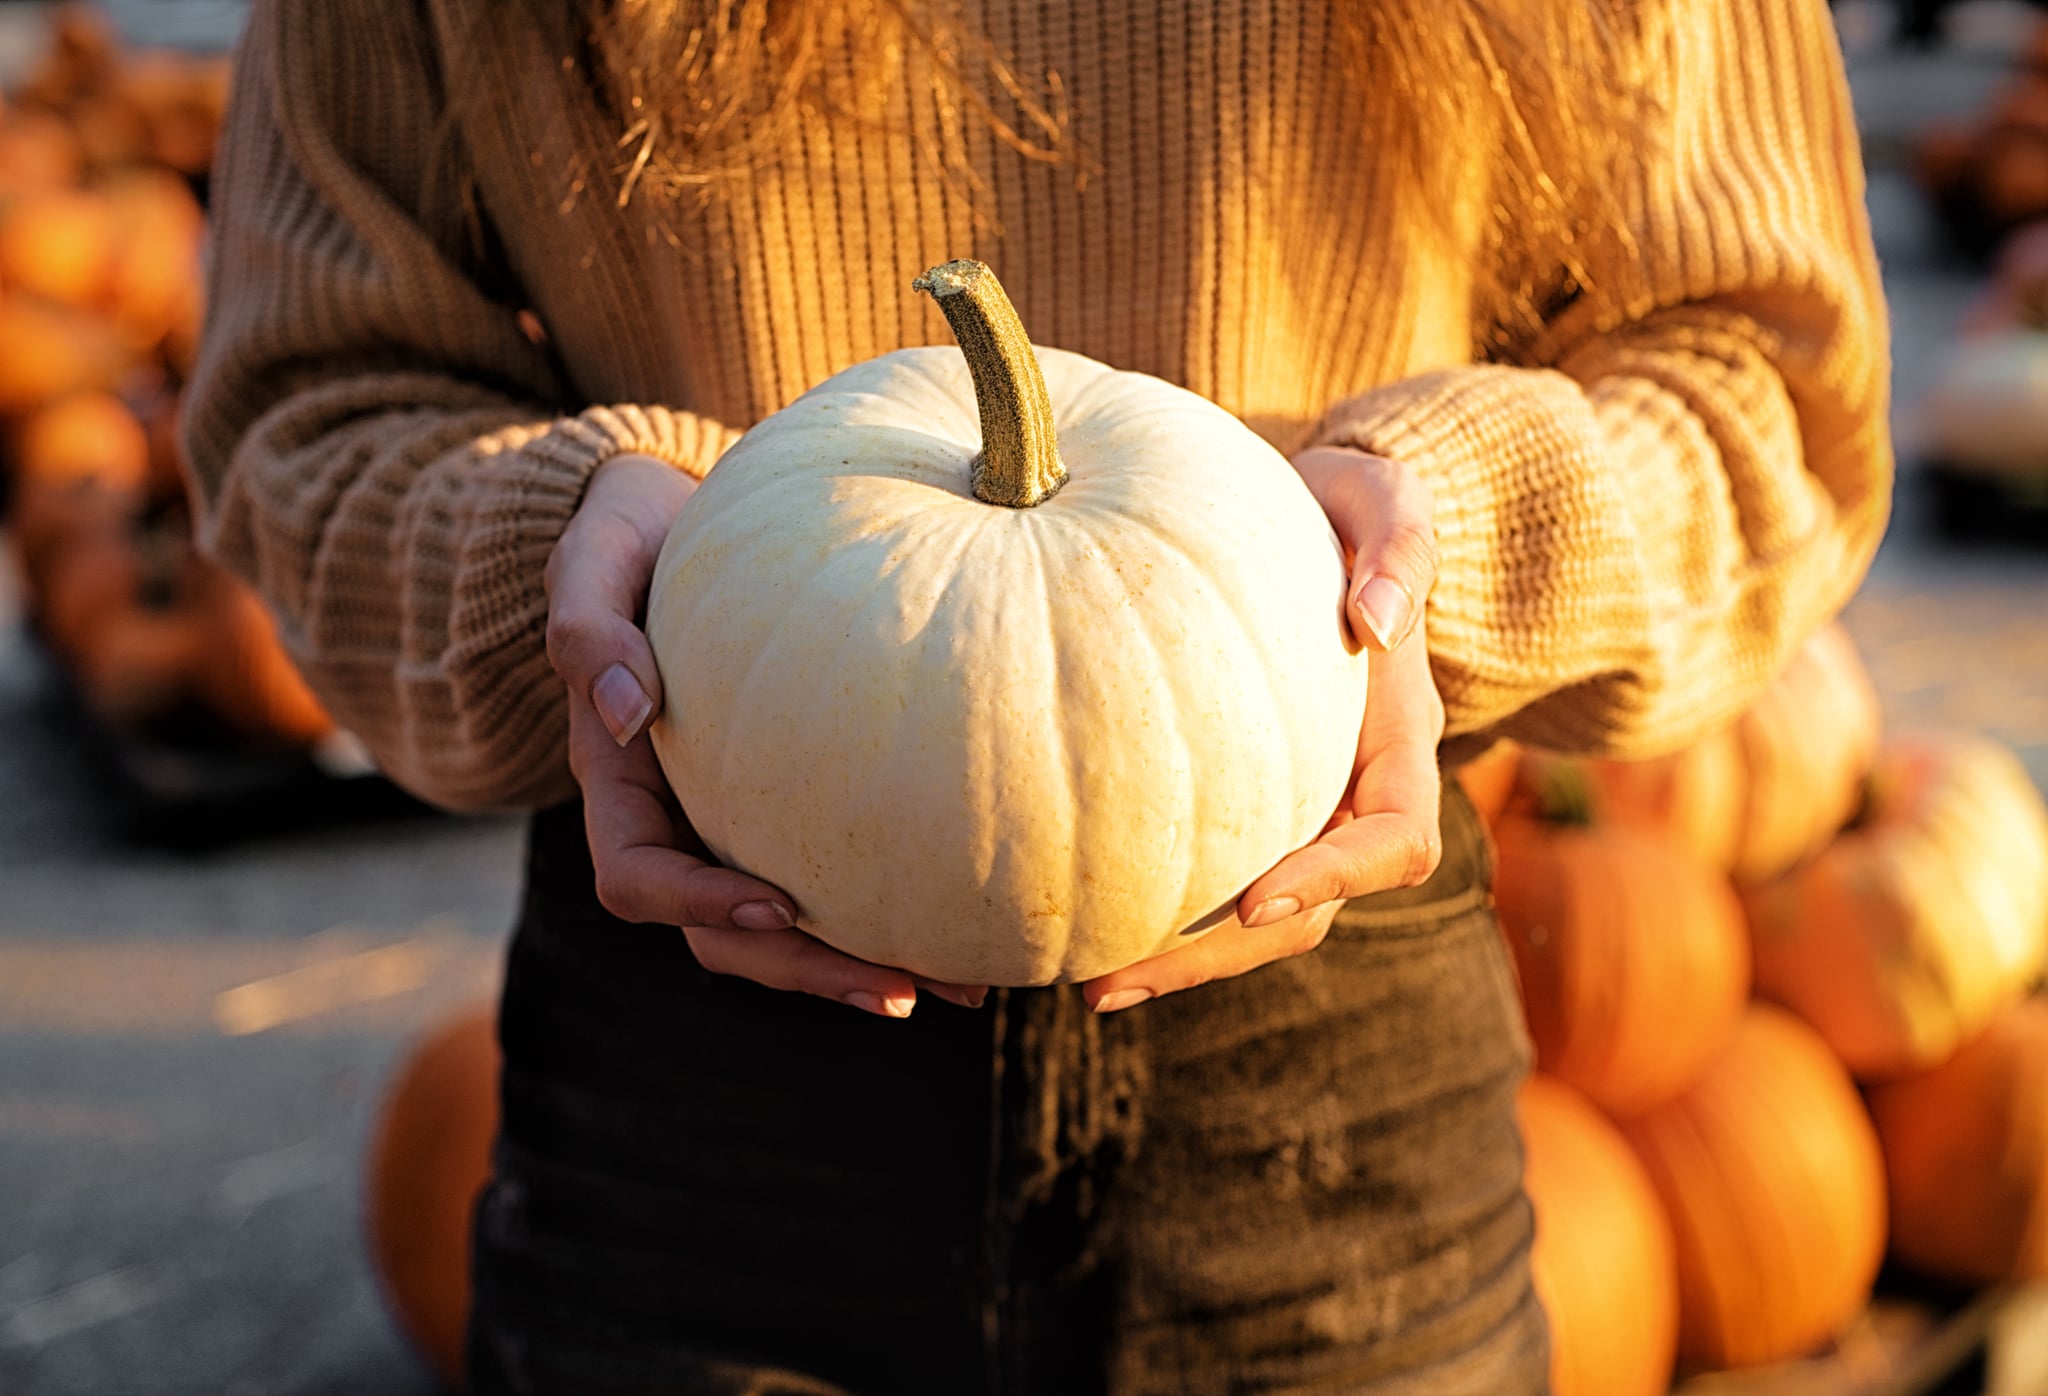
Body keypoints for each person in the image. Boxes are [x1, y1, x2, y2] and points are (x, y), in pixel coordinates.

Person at [183, 0, 1891, 1391]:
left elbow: (1775, 396)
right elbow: (306, 413)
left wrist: (1453, 538)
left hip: (1328, 1034)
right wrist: (556, 545)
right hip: (701, 1037)